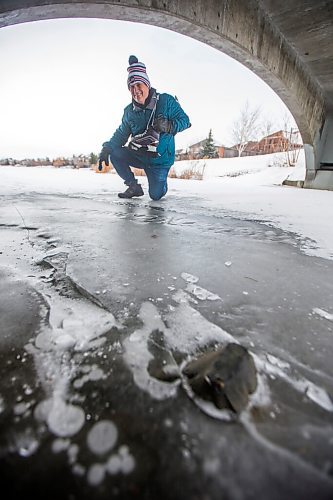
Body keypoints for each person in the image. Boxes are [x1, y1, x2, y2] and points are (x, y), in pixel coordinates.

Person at [98, 55, 191, 200]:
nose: (135, 90)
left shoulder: (166, 101)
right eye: (131, 87)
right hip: (139, 156)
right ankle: (133, 186)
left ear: (147, 84)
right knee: (115, 153)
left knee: (155, 196)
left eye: (138, 85)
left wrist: (169, 126)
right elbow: (122, 134)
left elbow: (185, 121)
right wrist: (107, 148)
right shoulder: (129, 111)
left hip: (160, 161)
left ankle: (161, 186)